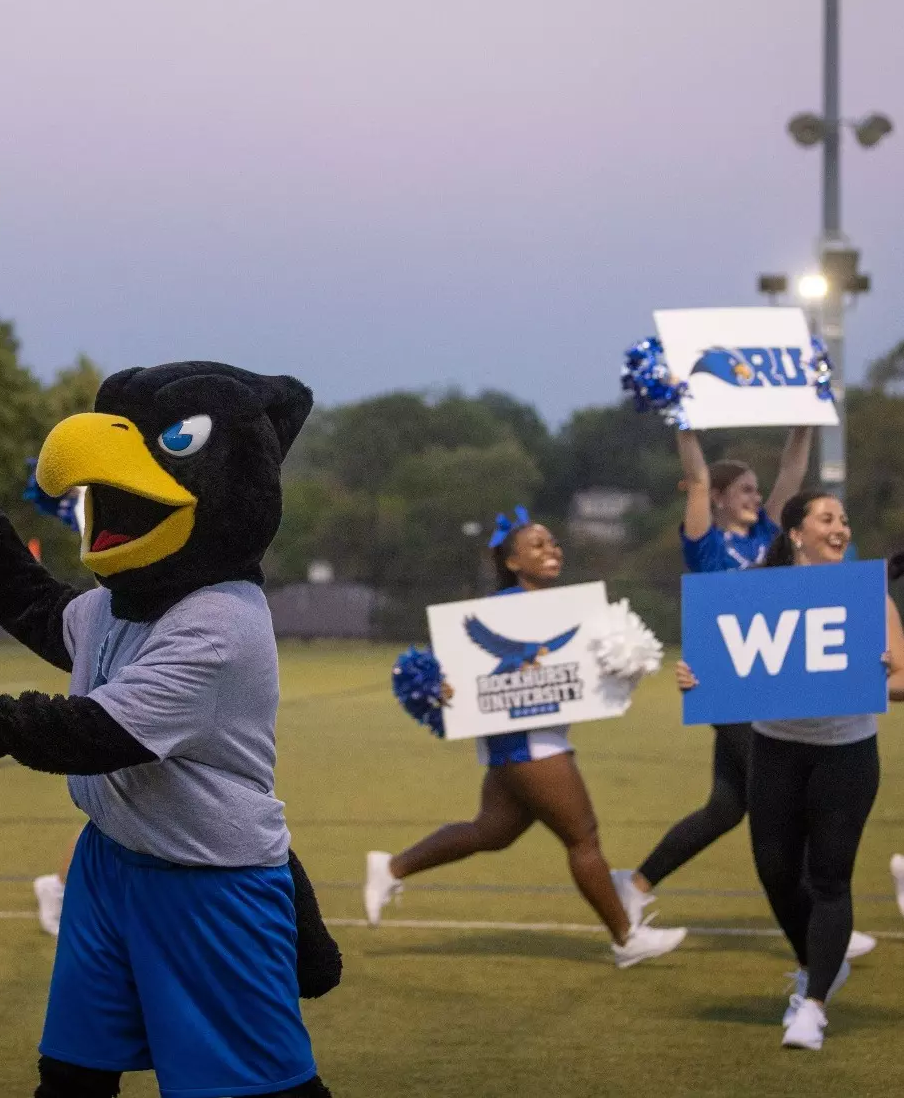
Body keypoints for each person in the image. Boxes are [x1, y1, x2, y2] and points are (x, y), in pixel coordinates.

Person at [364, 512, 688, 967]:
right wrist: (442, 688)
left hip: (529, 741)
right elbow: (436, 671)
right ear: (513, 562)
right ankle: (626, 937)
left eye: (554, 543)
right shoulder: (502, 609)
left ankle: (392, 867)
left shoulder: (560, 610)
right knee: (583, 839)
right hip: (530, 743)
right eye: (537, 545)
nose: (552, 550)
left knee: (490, 832)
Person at [610, 429, 876, 958]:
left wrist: (804, 426)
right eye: (747, 491)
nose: (758, 498)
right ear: (721, 498)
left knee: (726, 808)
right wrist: (685, 429)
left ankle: (632, 887)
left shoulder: (769, 540)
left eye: (759, 490)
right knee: (786, 807)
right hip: (730, 693)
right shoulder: (708, 543)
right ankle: (824, 925)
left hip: (771, 691)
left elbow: (792, 475)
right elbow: (700, 478)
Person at [675, 491, 903, 1050]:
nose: (841, 528)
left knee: (829, 876)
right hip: (774, 749)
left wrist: (873, 677)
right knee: (776, 872)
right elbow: (727, 665)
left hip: (845, 753)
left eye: (845, 520)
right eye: (827, 519)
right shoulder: (757, 593)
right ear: (796, 534)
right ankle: (816, 965)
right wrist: (695, 678)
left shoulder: (867, 597)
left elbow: (902, 679)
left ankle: (814, 1005)